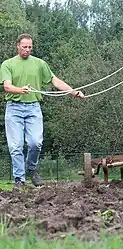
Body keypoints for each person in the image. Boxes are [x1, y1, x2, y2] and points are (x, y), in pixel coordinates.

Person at [0, 33, 85, 188]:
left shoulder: (40, 64)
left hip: (33, 107)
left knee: (35, 143)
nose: (27, 50)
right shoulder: (7, 64)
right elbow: (7, 86)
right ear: (18, 46)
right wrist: (20, 90)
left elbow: (55, 81)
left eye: (30, 47)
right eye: (24, 47)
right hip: (14, 108)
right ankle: (20, 180)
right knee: (16, 146)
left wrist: (72, 92)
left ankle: (31, 169)